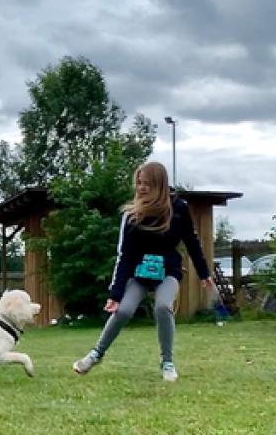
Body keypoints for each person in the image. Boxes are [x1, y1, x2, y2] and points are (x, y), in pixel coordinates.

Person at [73, 161, 214, 382]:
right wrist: (115, 295)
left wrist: (204, 273)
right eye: (138, 183)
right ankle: (95, 355)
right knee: (123, 311)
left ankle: (167, 362)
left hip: (168, 271)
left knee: (163, 307)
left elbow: (192, 242)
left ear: (159, 184)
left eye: (147, 183)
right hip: (138, 274)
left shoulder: (179, 208)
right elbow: (125, 256)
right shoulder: (131, 215)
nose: (141, 187)